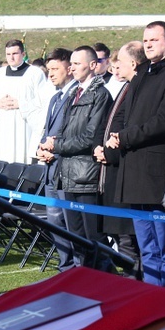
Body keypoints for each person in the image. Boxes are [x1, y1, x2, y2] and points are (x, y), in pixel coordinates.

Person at [108, 21, 165, 288]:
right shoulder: (141, 76)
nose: (149, 45)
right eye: (146, 41)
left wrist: (125, 137)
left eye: (154, 40)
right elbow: (123, 114)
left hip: (155, 172)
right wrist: (115, 134)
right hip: (133, 171)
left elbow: (164, 121)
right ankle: (153, 296)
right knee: (147, 246)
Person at [40, 46, 112, 270]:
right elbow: (62, 129)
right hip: (68, 172)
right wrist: (50, 146)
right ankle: (84, 281)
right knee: (76, 237)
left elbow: (90, 137)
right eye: (71, 63)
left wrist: (56, 146)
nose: (72, 68)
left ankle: (105, 281)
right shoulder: (73, 93)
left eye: (77, 63)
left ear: (92, 65)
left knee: (94, 238)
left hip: (86, 175)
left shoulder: (100, 94)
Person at [94, 41, 148, 279]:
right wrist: (99, 147)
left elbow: (130, 129)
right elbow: (109, 125)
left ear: (133, 64)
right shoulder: (126, 87)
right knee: (121, 239)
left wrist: (109, 152)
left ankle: (134, 284)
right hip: (112, 171)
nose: (115, 69)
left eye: (120, 64)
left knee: (129, 242)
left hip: (124, 171)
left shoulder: (138, 88)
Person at [36, 48, 76, 272]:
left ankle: (75, 268)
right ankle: (65, 266)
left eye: (55, 69)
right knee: (55, 221)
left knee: (70, 223)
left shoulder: (76, 95)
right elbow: (48, 130)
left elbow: (70, 131)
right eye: (48, 69)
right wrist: (41, 147)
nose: (50, 74)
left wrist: (55, 149)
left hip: (66, 168)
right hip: (50, 169)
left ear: (69, 69)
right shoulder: (55, 97)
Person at [0, 39, 46, 163]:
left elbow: (43, 102)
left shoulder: (35, 73)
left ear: (23, 54)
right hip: (2, 127)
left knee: (21, 162)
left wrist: (21, 104)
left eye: (15, 54)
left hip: (23, 127)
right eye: (8, 54)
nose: (11, 58)